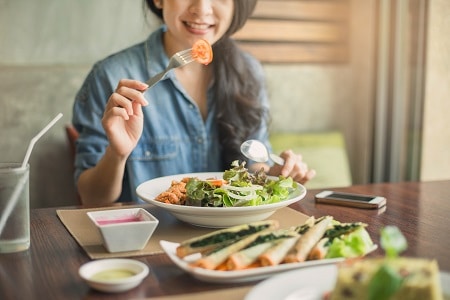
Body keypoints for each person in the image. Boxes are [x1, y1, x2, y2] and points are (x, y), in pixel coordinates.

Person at [72, 0, 316, 207]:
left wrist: (275, 176)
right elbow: (92, 198)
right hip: (149, 242)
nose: (202, 9)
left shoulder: (248, 70)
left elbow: (253, 163)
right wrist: (117, 153)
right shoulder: (111, 76)